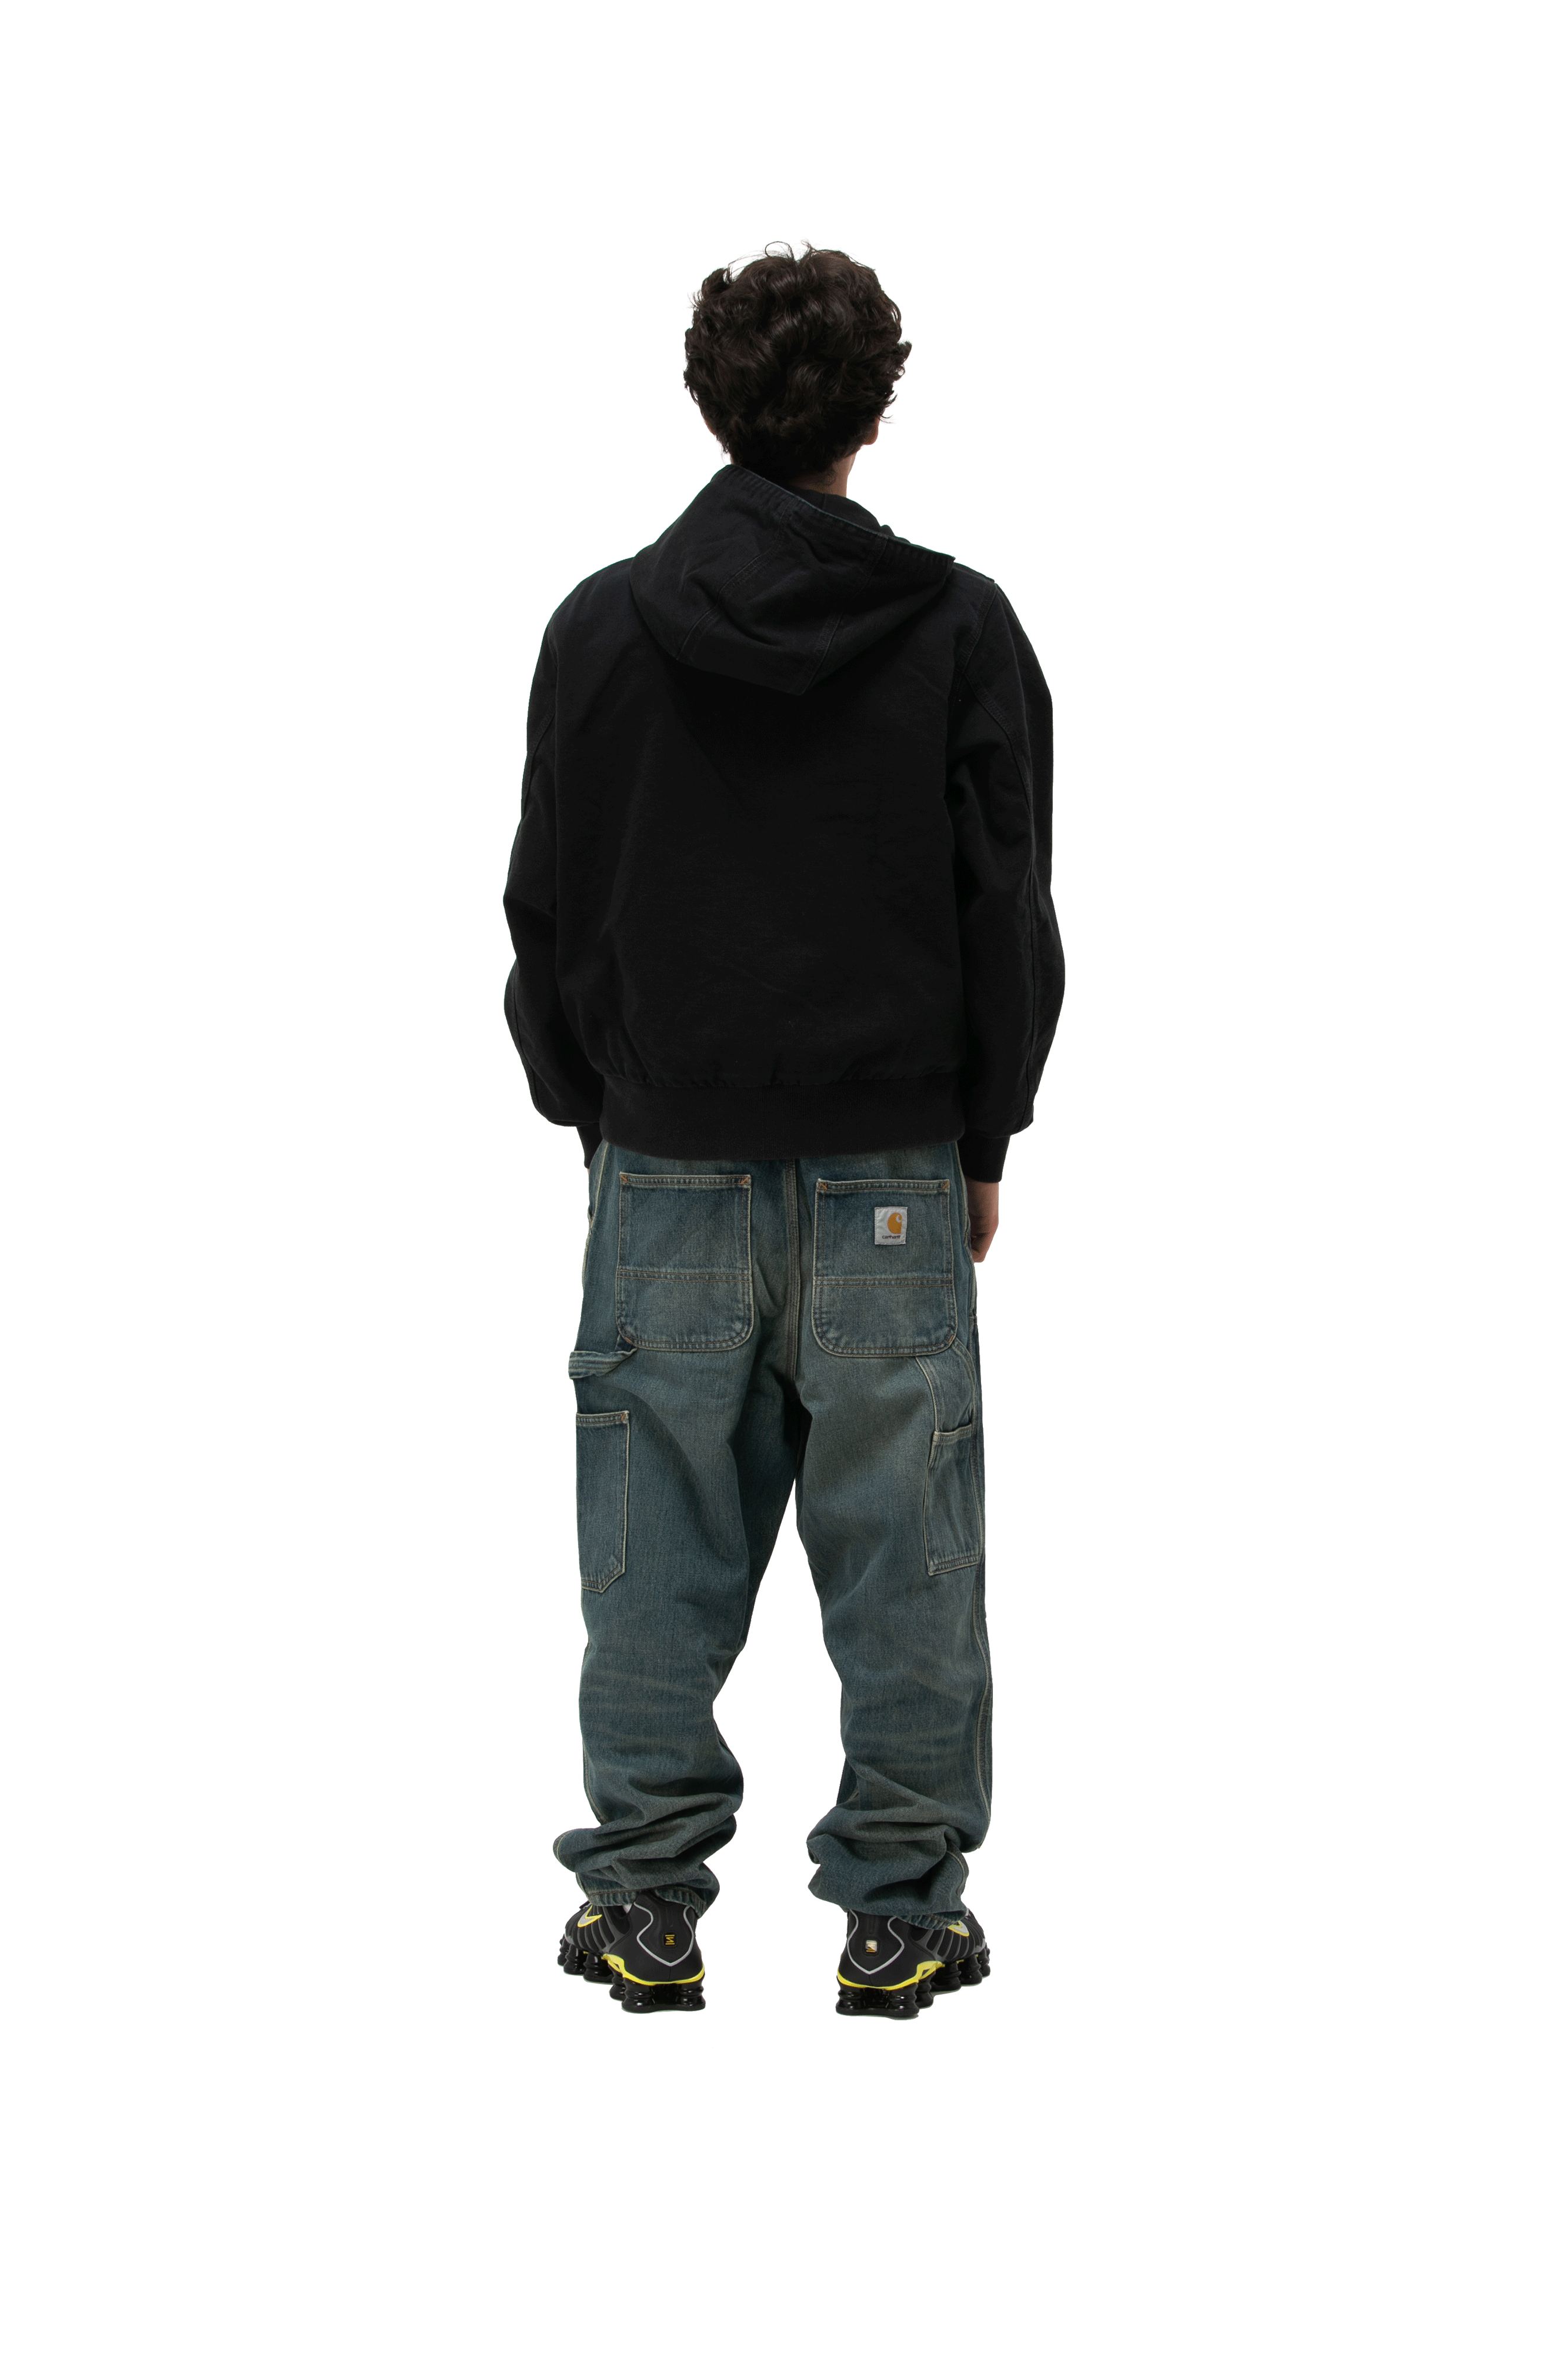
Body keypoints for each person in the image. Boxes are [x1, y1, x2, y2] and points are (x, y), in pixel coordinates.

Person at [503, 243, 1064, 2018]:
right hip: (894, 1170)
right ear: (873, 412)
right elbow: (1007, 907)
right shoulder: (959, 630)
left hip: (662, 1164)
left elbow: (547, 902)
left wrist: (595, 1109)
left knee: (652, 1547)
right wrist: (985, 1136)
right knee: (909, 1554)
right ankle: (900, 1912)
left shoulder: (600, 629)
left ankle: (644, 1902)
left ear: (708, 403)